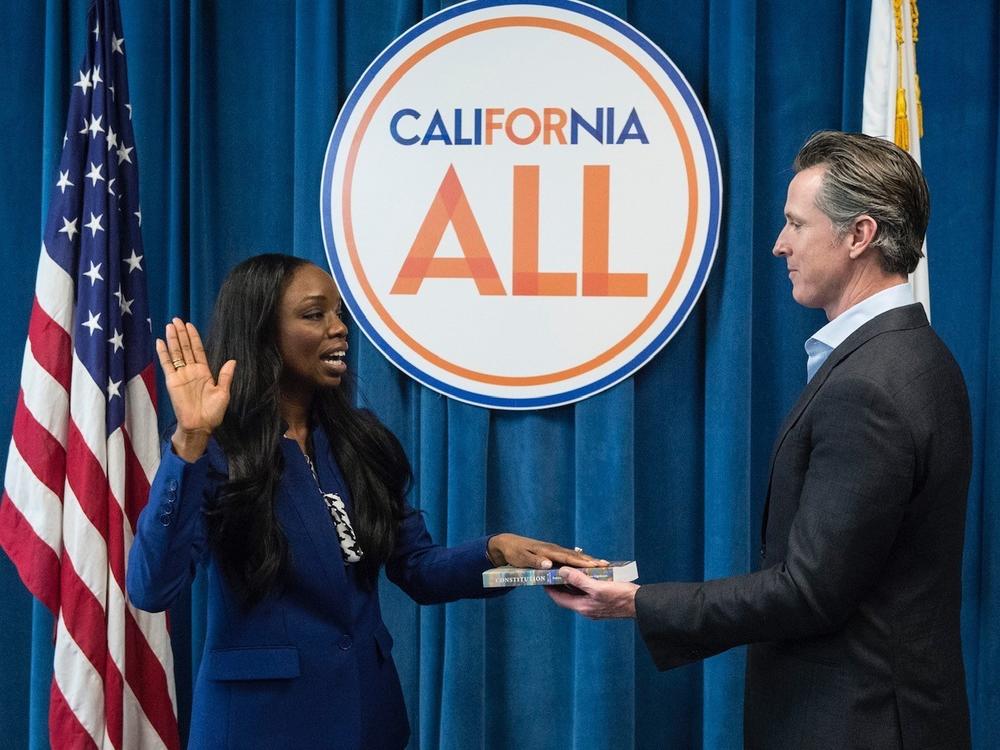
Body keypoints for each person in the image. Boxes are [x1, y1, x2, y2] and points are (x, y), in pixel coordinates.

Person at [547, 131, 972, 749]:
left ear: (859, 236)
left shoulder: (873, 383)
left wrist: (637, 603)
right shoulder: (915, 356)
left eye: (796, 225)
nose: (779, 246)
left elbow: (808, 591)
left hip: (856, 725)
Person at [126, 253, 599, 750]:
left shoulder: (360, 442)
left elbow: (417, 568)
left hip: (370, 721)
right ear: (263, 331)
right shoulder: (216, 452)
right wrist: (191, 439)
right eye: (315, 315)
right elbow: (151, 587)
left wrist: (497, 550)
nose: (338, 329)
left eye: (338, 315)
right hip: (259, 727)